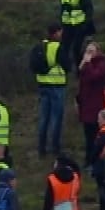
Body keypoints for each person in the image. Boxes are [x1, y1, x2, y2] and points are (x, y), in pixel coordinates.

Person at [75, 42, 105, 167]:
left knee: (97, 137)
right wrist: (78, 101)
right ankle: (89, 161)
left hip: (98, 106)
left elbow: (95, 77)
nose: (88, 54)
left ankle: (96, 162)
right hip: (86, 105)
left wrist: (87, 64)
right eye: (87, 51)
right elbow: (82, 85)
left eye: (91, 51)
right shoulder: (86, 66)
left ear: (98, 52)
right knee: (88, 136)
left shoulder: (101, 65)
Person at [31, 25, 67, 158]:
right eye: (60, 32)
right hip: (57, 86)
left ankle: (41, 148)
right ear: (56, 33)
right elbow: (67, 65)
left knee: (43, 118)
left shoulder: (38, 47)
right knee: (56, 118)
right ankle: (55, 147)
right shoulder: (57, 47)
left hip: (42, 85)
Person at [55, 0, 94, 72]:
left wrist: (86, 23)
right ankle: (65, 70)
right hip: (67, 22)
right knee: (64, 48)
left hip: (80, 23)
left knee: (77, 48)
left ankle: (80, 71)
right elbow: (63, 6)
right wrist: (61, 21)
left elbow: (89, 8)